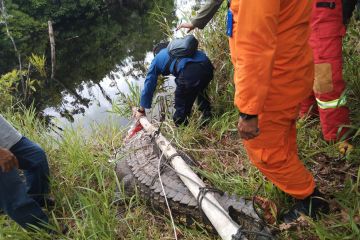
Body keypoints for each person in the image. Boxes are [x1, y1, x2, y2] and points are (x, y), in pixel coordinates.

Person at [180, 0, 330, 222]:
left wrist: (249, 111)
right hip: (291, 69)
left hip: (273, 81)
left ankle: (311, 199)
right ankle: (293, 182)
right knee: (281, 135)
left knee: (264, 150)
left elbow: (255, 48)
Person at [300, 0, 358, 152]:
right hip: (304, 15)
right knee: (306, 69)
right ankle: (309, 115)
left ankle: (337, 136)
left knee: (325, 80)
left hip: (324, 14)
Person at [136, 40, 214, 126]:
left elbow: (148, 86)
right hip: (207, 66)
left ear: (156, 53)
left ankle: (183, 130)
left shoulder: (157, 59)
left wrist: (141, 110)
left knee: (181, 107)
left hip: (190, 72)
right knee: (200, 90)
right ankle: (207, 117)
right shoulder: (179, 48)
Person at [0, 114, 51, 231]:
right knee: (13, 194)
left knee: (37, 158)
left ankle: (37, 200)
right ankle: (45, 231)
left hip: (6, 136)